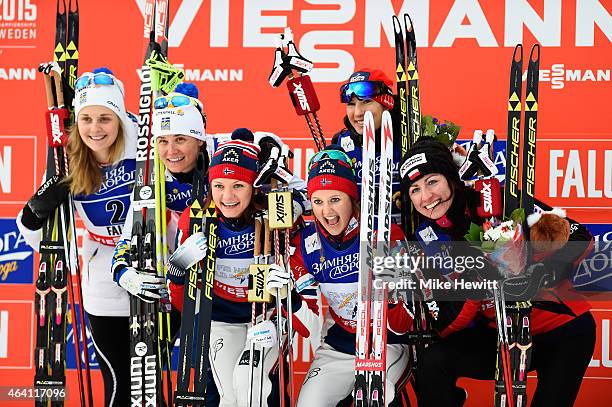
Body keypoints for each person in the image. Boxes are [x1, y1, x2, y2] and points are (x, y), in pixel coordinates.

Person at [399, 137, 596, 407]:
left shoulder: (498, 199)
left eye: (432, 182)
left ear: (450, 179)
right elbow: (445, 322)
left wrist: (540, 272)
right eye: (415, 190)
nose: (426, 197)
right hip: (503, 334)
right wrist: (473, 288)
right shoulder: (427, 237)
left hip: (560, 330)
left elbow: (579, 237)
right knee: (434, 361)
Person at [17, 67, 138, 406]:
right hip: (103, 273)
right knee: (118, 381)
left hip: (149, 263)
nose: (95, 129)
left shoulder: (141, 139)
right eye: (86, 119)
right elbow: (37, 234)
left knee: (149, 381)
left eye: (105, 118)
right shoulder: (69, 158)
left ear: (120, 118)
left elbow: (191, 148)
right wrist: (36, 208)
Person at [166, 133, 310, 407]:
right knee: (229, 399)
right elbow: (181, 301)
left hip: (265, 315)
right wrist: (177, 272)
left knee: (250, 388)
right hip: (221, 318)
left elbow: (309, 200)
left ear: (253, 187)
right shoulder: (196, 218)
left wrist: (288, 290)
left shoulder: (272, 212)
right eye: (219, 185)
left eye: (238, 185)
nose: (227, 196)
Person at [265, 145, 412, 406]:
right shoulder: (305, 244)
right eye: (318, 201)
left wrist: (388, 289)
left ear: (352, 198)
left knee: (373, 399)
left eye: (335, 199)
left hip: (385, 343)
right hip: (340, 344)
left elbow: (401, 324)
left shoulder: (385, 235)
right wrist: (290, 299)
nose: (327, 212)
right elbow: (310, 327)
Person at [332, 68, 402, 223]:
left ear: (386, 103)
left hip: (408, 239)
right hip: (363, 239)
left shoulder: (410, 138)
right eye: (351, 104)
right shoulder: (341, 144)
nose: (357, 113)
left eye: (366, 102)